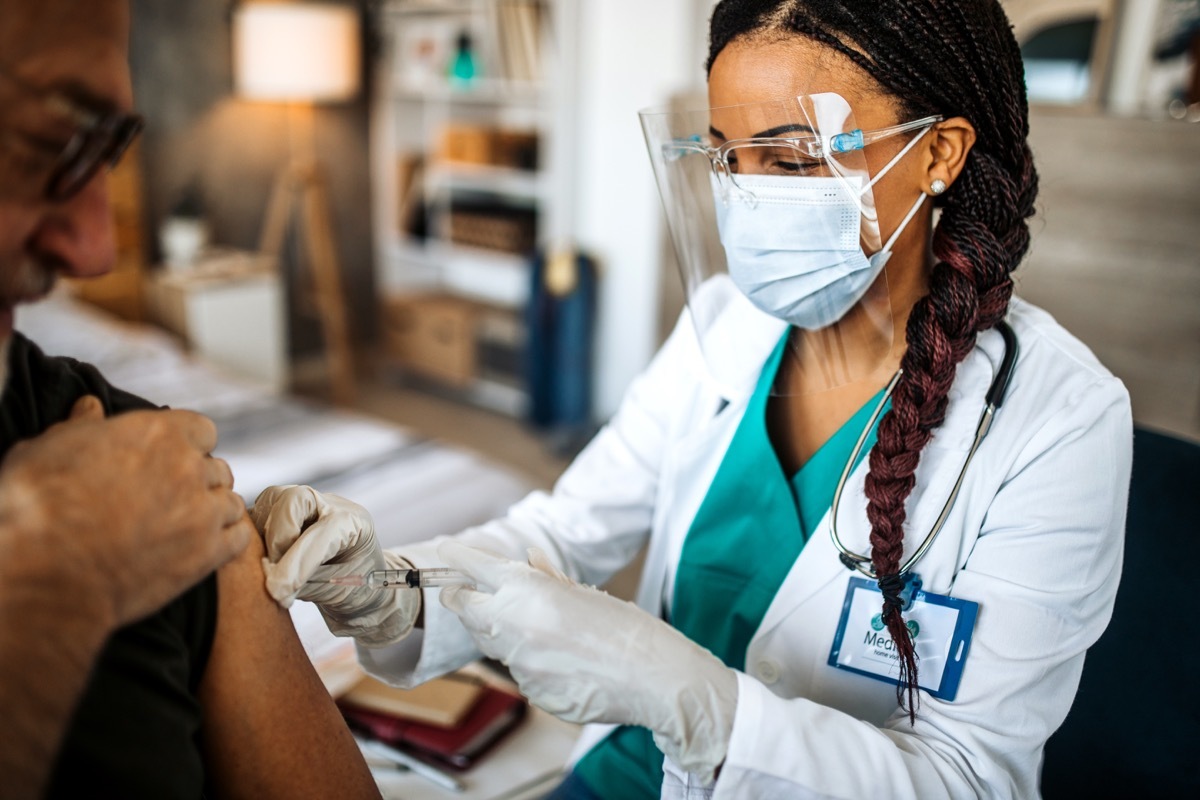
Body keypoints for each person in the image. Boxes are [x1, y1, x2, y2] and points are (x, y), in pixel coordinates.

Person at [252, 1, 1133, 797]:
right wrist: (399, 591)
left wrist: (698, 706)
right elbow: (562, 535)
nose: (745, 196)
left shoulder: (1060, 423)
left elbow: (967, 783)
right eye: (725, 155)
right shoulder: (726, 325)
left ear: (937, 152)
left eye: (789, 155)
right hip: (627, 775)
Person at [0, 1, 380, 797]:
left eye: (104, 146)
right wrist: (48, 587)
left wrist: (401, 589)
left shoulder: (133, 459)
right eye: (45, 142)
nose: (95, 248)